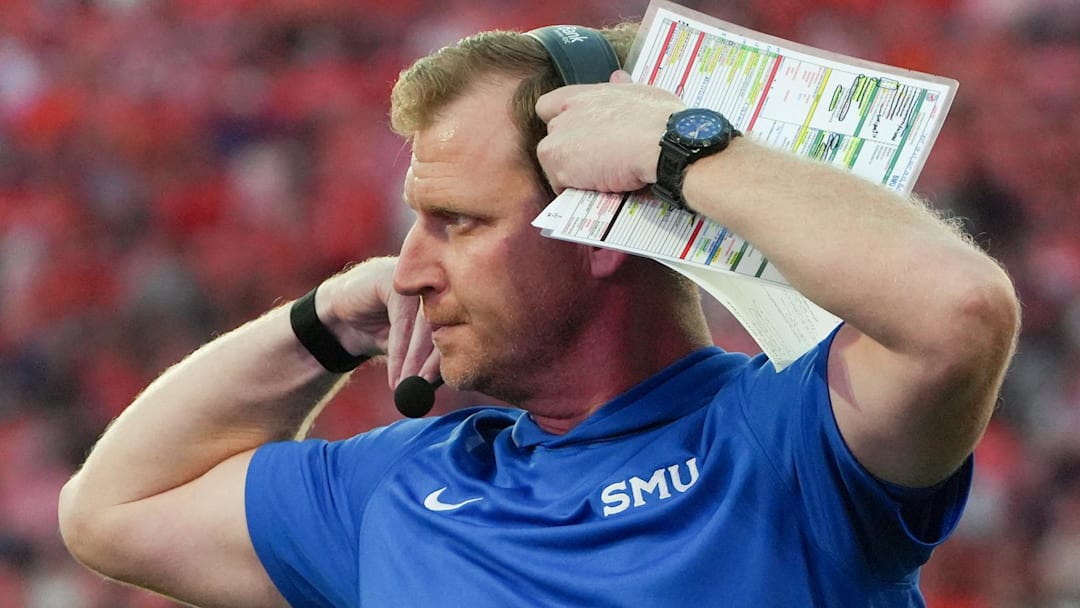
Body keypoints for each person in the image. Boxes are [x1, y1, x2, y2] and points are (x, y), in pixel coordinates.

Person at [57, 20, 1020, 608]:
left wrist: (680, 151)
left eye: (458, 223)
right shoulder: (405, 485)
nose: (411, 269)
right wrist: (327, 321)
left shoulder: (790, 444)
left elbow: (960, 310)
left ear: (599, 230)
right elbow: (113, 514)